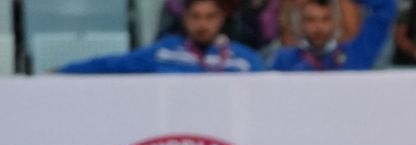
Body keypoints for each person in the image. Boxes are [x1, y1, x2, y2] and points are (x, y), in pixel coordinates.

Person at [62, 0, 264, 73]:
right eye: (196, 16)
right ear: (185, 19)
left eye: (210, 17)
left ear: (222, 19)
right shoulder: (164, 51)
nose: (202, 24)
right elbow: (113, 64)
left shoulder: (245, 59)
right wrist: (64, 70)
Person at [271, 0, 397, 70]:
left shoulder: (357, 52)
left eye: (325, 19)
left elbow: (386, 7)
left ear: (336, 21)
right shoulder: (285, 59)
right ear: (301, 24)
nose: (318, 27)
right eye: (310, 20)